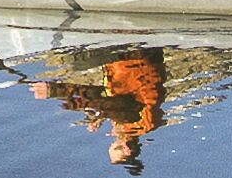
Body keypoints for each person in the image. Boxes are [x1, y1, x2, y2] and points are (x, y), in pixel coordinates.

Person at [34, 47, 169, 171]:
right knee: (77, 61)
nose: (111, 135)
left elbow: (106, 98)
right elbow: (103, 102)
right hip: (130, 55)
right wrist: (55, 91)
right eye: (115, 142)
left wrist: (100, 115)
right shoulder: (134, 120)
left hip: (139, 56)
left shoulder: (133, 120)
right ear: (127, 148)